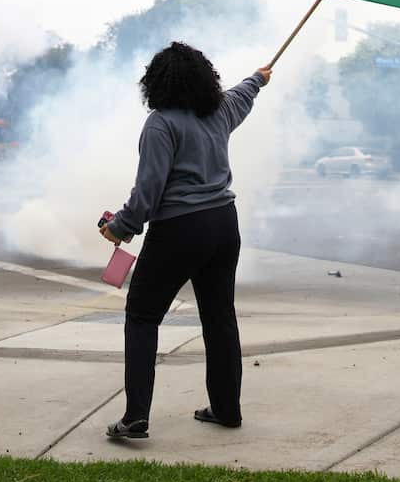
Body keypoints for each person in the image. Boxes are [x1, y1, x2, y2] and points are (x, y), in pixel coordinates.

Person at [100, 42, 272, 440]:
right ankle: (227, 409)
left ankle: (135, 417)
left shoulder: (161, 124)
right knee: (219, 317)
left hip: (179, 229)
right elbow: (242, 93)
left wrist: (120, 227)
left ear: (156, 83)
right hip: (224, 226)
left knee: (142, 316)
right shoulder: (220, 111)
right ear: (203, 78)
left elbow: (148, 193)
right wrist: (259, 79)